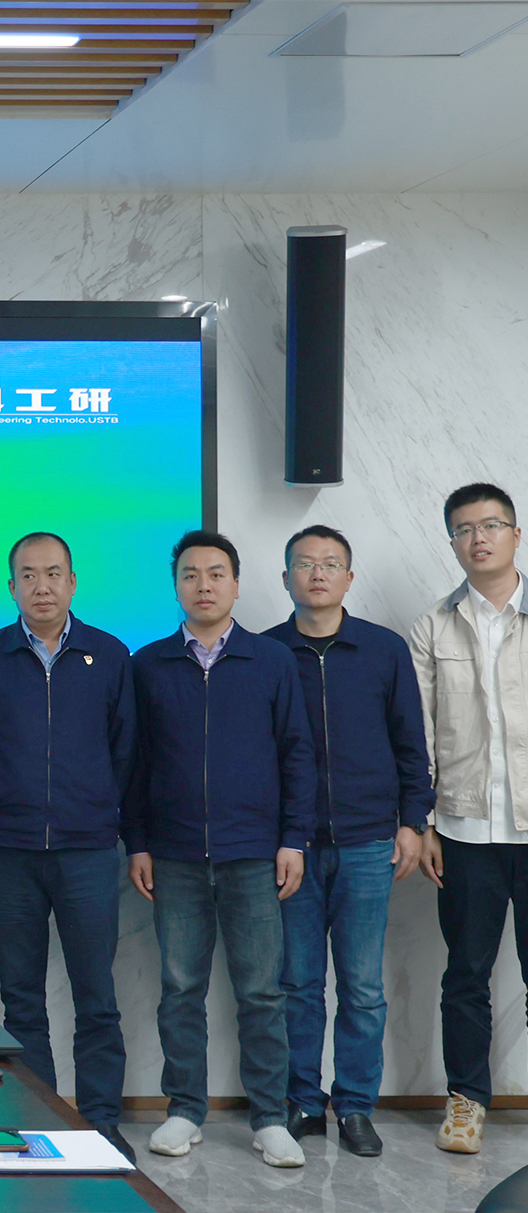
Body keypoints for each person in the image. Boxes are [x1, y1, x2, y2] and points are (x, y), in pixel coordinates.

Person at [126, 530, 316, 1167]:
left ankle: (269, 1118)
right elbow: (135, 763)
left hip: (254, 852)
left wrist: (292, 839)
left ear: (235, 584)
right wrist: (138, 843)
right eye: (190, 574)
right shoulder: (148, 664)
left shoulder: (271, 660)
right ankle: (184, 1110)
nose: (203, 585)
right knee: (180, 989)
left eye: (215, 574)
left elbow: (296, 753)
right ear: (175, 586)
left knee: (262, 992)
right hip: (174, 855)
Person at [0, 532, 135, 1154]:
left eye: (53, 573)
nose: (42, 586)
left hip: (87, 852)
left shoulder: (109, 655)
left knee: (97, 998)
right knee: (21, 1001)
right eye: (29, 576)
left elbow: (126, 752)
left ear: (73, 582)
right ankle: (39, 1120)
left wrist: (102, 817)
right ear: (11, 587)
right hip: (9, 853)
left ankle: (102, 1122)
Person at [265, 524, 434, 1157]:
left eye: (330, 563)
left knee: (362, 986)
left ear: (348, 577)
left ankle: (356, 1106)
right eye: (305, 564)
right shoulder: (266, 652)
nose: (317, 574)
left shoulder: (384, 649)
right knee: (298, 984)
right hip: (293, 845)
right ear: (286, 577)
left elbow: (410, 742)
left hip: (368, 841)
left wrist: (412, 821)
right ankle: (303, 1102)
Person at [410, 482, 528, 1154]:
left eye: (491, 525)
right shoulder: (433, 626)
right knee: (466, 976)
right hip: (463, 830)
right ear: (452, 542)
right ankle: (467, 1101)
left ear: (515, 534)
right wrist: (424, 822)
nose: (478, 538)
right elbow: (420, 733)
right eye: (463, 529)